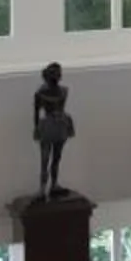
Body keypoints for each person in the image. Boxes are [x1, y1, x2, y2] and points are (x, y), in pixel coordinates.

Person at [32, 64, 75, 200]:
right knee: (45, 159)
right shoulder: (40, 93)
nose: (56, 77)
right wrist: (37, 128)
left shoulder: (63, 90)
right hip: (50, 124)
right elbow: (36, 112)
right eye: (53, 74)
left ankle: (53, 184)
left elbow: (36, 113)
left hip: (60, 123)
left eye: (57, 74)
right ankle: (43, 187)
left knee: (56, 157)